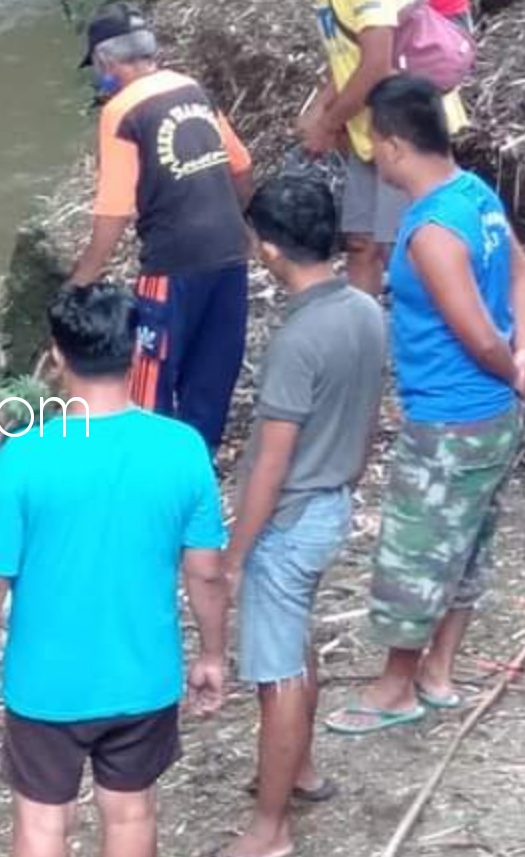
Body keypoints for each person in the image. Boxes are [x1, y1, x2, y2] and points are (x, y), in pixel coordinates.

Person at [0, 283, 231, 857]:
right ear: (138, 351)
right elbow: (206, 573)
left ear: (56, 356)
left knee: (44, 826)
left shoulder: (25, 456)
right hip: (143, 676)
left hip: (46, 684)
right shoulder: (182, 449)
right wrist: (213, 655)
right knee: (130, 816)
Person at [326, 76, 525, 735]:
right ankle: (439, 670)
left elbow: (476, 335)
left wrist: (514, 365)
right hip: (491, 418)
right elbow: (520, 270)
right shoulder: (478, 196)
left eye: (375, 146)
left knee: (417, 550)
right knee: (468, 543)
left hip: (449, 418)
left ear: (392, 145)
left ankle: (395, 686)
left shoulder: (432, 231)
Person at [219, 177, 387, 857]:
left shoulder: (299, 339)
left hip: (290, 519)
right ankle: (301, 769)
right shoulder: (365, 310)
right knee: (298, 645)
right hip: (332, 501)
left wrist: (236, 552)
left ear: (268, 250)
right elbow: (372, 414)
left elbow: (269, 463)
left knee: (277, 671)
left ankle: (270, 827)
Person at [67, 2, 255, 454]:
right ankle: (196, 467)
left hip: (173, 263)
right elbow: (242, 167)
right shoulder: (191, 88)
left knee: (153, 380)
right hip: (230, 253)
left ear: (107, 61)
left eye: (97, 68)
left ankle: (150, 473)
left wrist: (81, 280)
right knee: (212, 373)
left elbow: (113, 211)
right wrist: (233, 221)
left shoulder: (122, 112)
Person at [303, 0, 470, 294]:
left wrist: (327, 123)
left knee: (403, 248)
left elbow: (376, 65)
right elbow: (350, 55)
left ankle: (434, 329)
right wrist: (321, 105)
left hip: (407, 130)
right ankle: (366, 334)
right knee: (360, 244)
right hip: (369, 132)